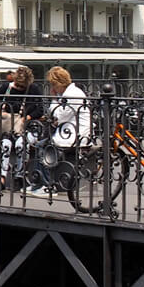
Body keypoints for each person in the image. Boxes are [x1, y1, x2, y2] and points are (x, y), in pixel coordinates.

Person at [35, 67, 90, 200]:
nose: (51, 88)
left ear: (57, 83)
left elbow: (57, 117)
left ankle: (49, 185)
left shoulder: (73, 95)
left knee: (45, 147)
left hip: (75, 134)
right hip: (67, 131)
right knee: (39, 143)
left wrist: (54, 99)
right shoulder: (67, 94)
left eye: (52, 84)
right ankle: (41, 182)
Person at [0, 66, 43, 189]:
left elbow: (40, 110)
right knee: (5, 144)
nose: (19, 88)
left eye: (22, 86)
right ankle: (2, 178)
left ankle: (19, 176)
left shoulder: (33, 89)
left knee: (21, 144)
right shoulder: (8, 87)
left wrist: (26, 118)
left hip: (27, 127)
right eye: (18, 85)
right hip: (9, 127)